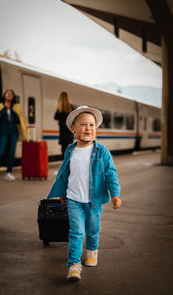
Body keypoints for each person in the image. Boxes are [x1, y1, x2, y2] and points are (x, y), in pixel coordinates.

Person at [47, 105, 122, 282]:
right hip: (74, 200)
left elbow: (111, 173)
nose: (88, 128)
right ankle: (73, 265)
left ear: (96, 129)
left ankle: (91, 251)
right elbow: (64, 174)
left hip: (94, 201)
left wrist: (115, 194)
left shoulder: (102, 151)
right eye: (83, 125)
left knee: (93, 230)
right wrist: (62, 193)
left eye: (91, 125)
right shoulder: (70, 151)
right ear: (73, 129)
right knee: (76, 232)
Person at [0, 89, 27, 181]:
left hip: (14, 132)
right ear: (4, 95)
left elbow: (20, 119)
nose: (9, 95)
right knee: (0, 151)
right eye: (7, 93)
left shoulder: (16, 107)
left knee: (12, 153)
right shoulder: (0, 106)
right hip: (3, 131)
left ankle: (9, 172)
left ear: (13, 97)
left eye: (11, 94)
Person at [54, 91, 74, 158]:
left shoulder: (59, 109)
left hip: (63, 132)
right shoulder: (70, 107)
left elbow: (55, 117)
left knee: (63, 148)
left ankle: (64, 163)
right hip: (69, 130)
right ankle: (70, 162)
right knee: (70, 148)